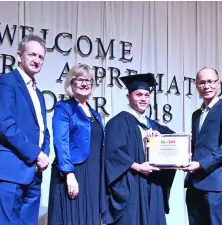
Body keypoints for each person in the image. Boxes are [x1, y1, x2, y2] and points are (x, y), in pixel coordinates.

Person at [101, 73, 176, 225]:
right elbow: (112, 154)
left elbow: (175, 143)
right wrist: (138, 167)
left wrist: (159, 138)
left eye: (147, 95)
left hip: (153, 186)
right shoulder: (118, 122)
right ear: (128, 97)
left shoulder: (155, 126)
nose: (143, 99)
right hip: (131, 184)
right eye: (139, 94)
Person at [0, 34, 50, 225]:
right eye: (32, 55)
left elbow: (43, 131)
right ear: (19, 56)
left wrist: (43, 156)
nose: (37, 60)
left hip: (34, 174)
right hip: (12, 172)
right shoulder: (7, 82)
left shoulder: (39, 93)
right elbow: (6, 126)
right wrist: (37, 153)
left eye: (41, 57)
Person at [47, 64, 104, 225]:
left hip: (93, 176)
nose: (85, 83)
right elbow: (61, 141)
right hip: (73, 173)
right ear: (71, 82)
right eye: (80, 79)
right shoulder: (64, 108)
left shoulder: (96, 115)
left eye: (89, 80)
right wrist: (69, 174)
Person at [181, 67, 222, 225]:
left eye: (211, 81)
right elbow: (197, 145)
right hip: (194, 183)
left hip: (215, 183)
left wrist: (200, 164)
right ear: (197, 86)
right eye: (202, 82)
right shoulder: (196, 115)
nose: (207, 86)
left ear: (219, 84)